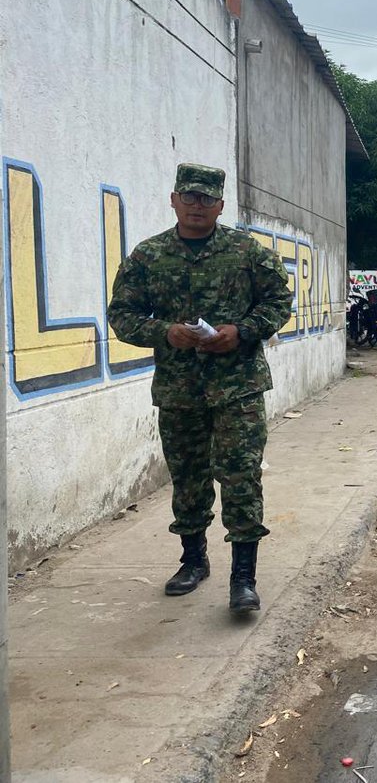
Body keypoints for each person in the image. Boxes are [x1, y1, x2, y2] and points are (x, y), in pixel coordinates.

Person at [108, 163, 292, 612]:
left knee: (241, 477)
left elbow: (280, 301)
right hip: (179, 389)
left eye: (207, 199)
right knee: (188, 476)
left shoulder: (247, 252)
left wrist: (243, 331)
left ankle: (243, 577)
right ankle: (193, 560)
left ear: (220, 205)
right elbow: (121, 315)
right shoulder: (148, 257)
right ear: (173, 199)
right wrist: (164, 332)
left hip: (238, 389)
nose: (197, 205)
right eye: (189, 197)